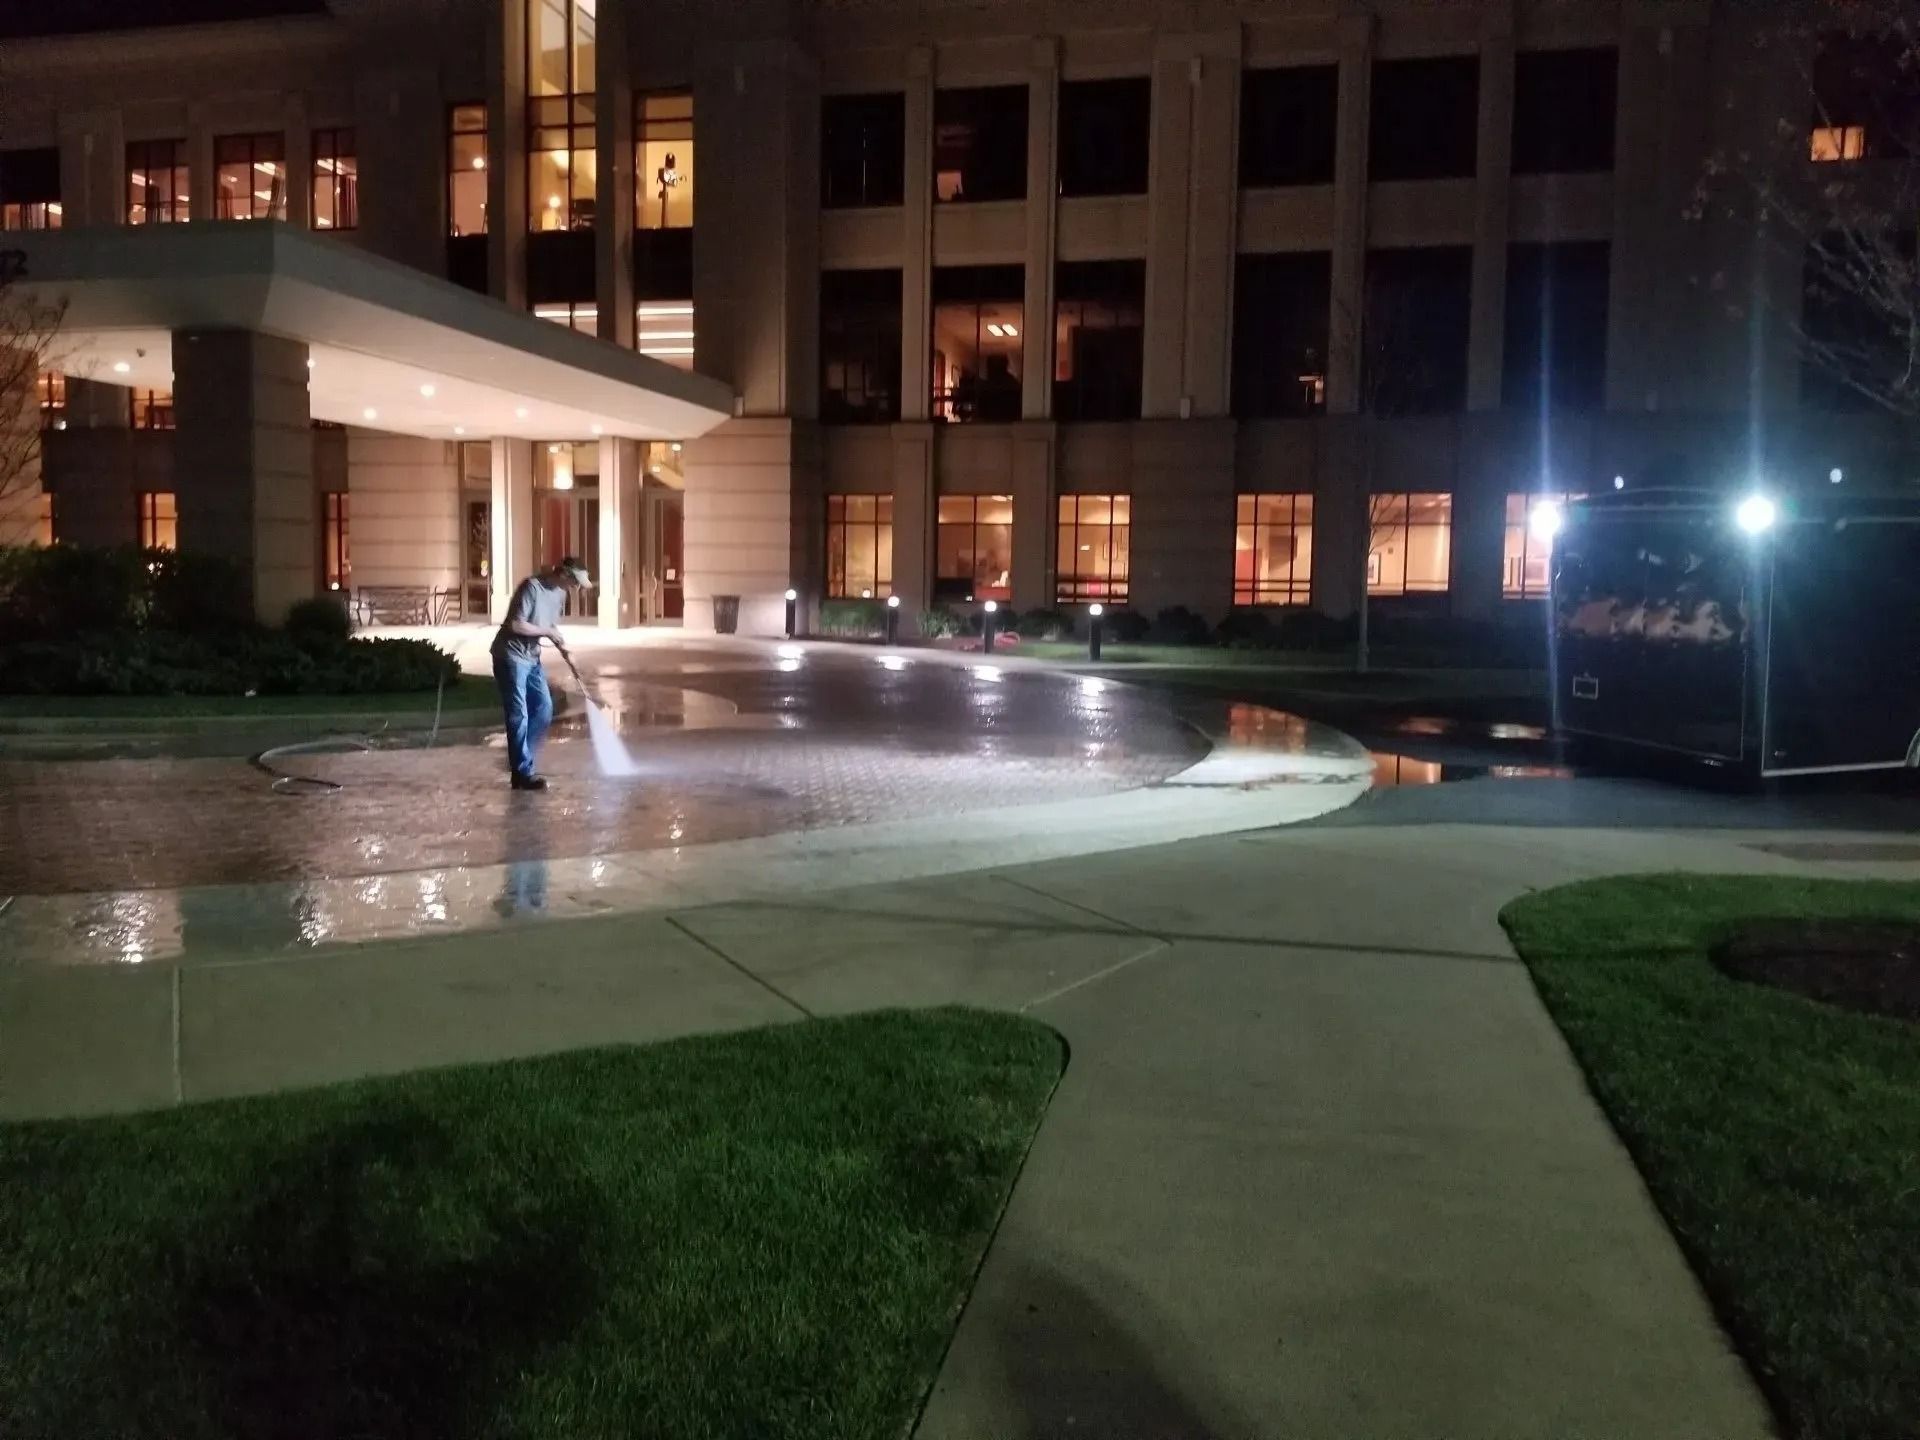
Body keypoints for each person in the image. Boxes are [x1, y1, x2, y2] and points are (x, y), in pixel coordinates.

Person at [491, 557, 590, 791]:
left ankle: (519, 758)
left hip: (532, 657)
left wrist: (565, 650)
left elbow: (550, 626)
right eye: (574, 582)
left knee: (544, 709)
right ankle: (521, 773)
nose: (575, 588)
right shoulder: (531, 587)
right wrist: (546, 631)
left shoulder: (560, 594)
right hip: (511, 656)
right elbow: (516, 624)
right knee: (519, 714)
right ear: (564, 574)